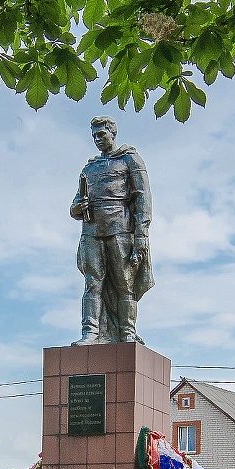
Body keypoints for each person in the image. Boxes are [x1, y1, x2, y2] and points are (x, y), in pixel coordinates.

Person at [70, 116, 153, 345]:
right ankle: (91, 332)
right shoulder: (89, 168)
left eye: (101, 134)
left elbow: (142, 199)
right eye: (94, 135)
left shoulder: (130, 160)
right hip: (91, 232)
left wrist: (141, 236)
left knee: (124, 284)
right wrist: (77, 208)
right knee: (92, 283)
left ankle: (127, 333)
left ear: (112, 133)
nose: (97, 139)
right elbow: (75, 203)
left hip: (120, 230)